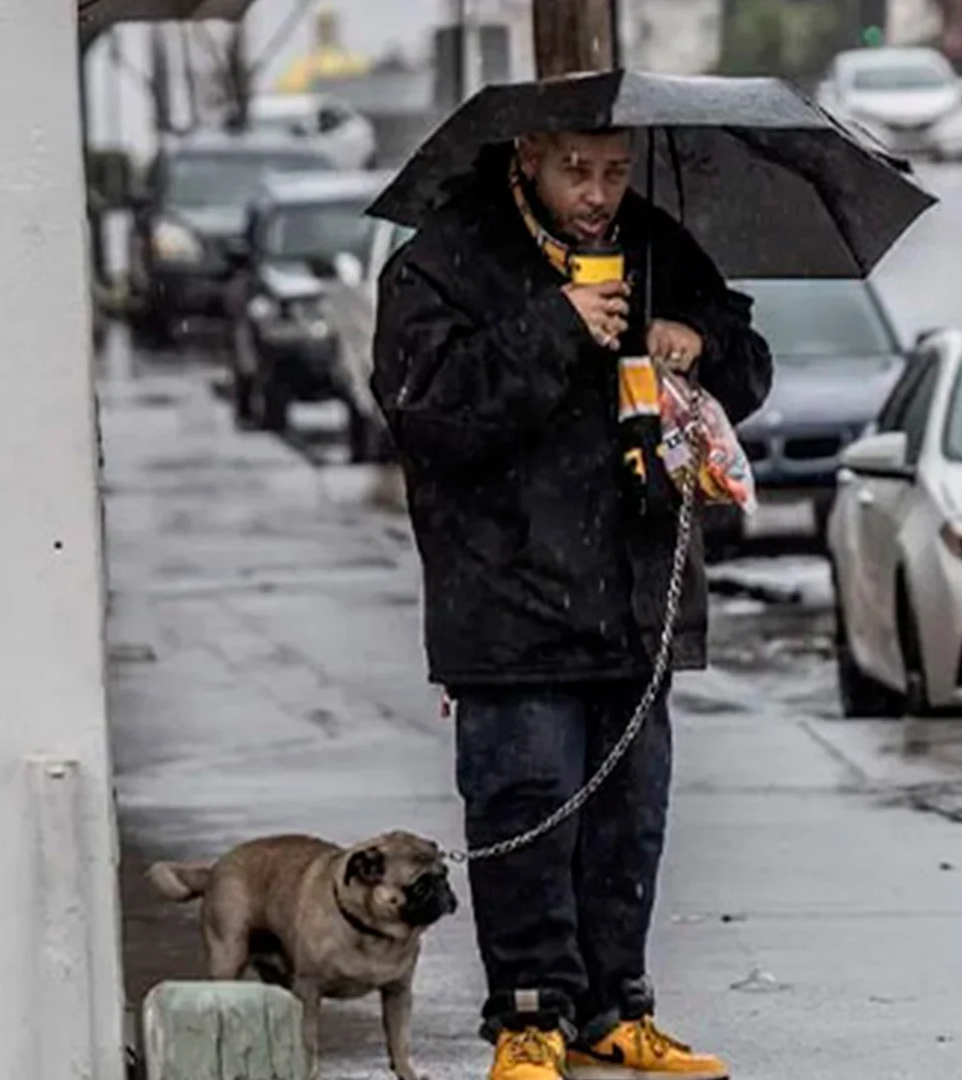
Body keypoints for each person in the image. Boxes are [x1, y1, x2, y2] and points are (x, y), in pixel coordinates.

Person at [370, 127, 773, 1080]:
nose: (599, 194)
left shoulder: (654, 245)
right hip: (506, 601)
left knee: (631, 823)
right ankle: (529, 1016)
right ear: (526, 159)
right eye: (576, 171)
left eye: (615, 172)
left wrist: (701, 339)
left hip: (635, 597)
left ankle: (615, 1008)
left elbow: (749, 366)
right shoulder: (445, 260)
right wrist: (555, 324)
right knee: (528, 812)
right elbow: (428, 410)